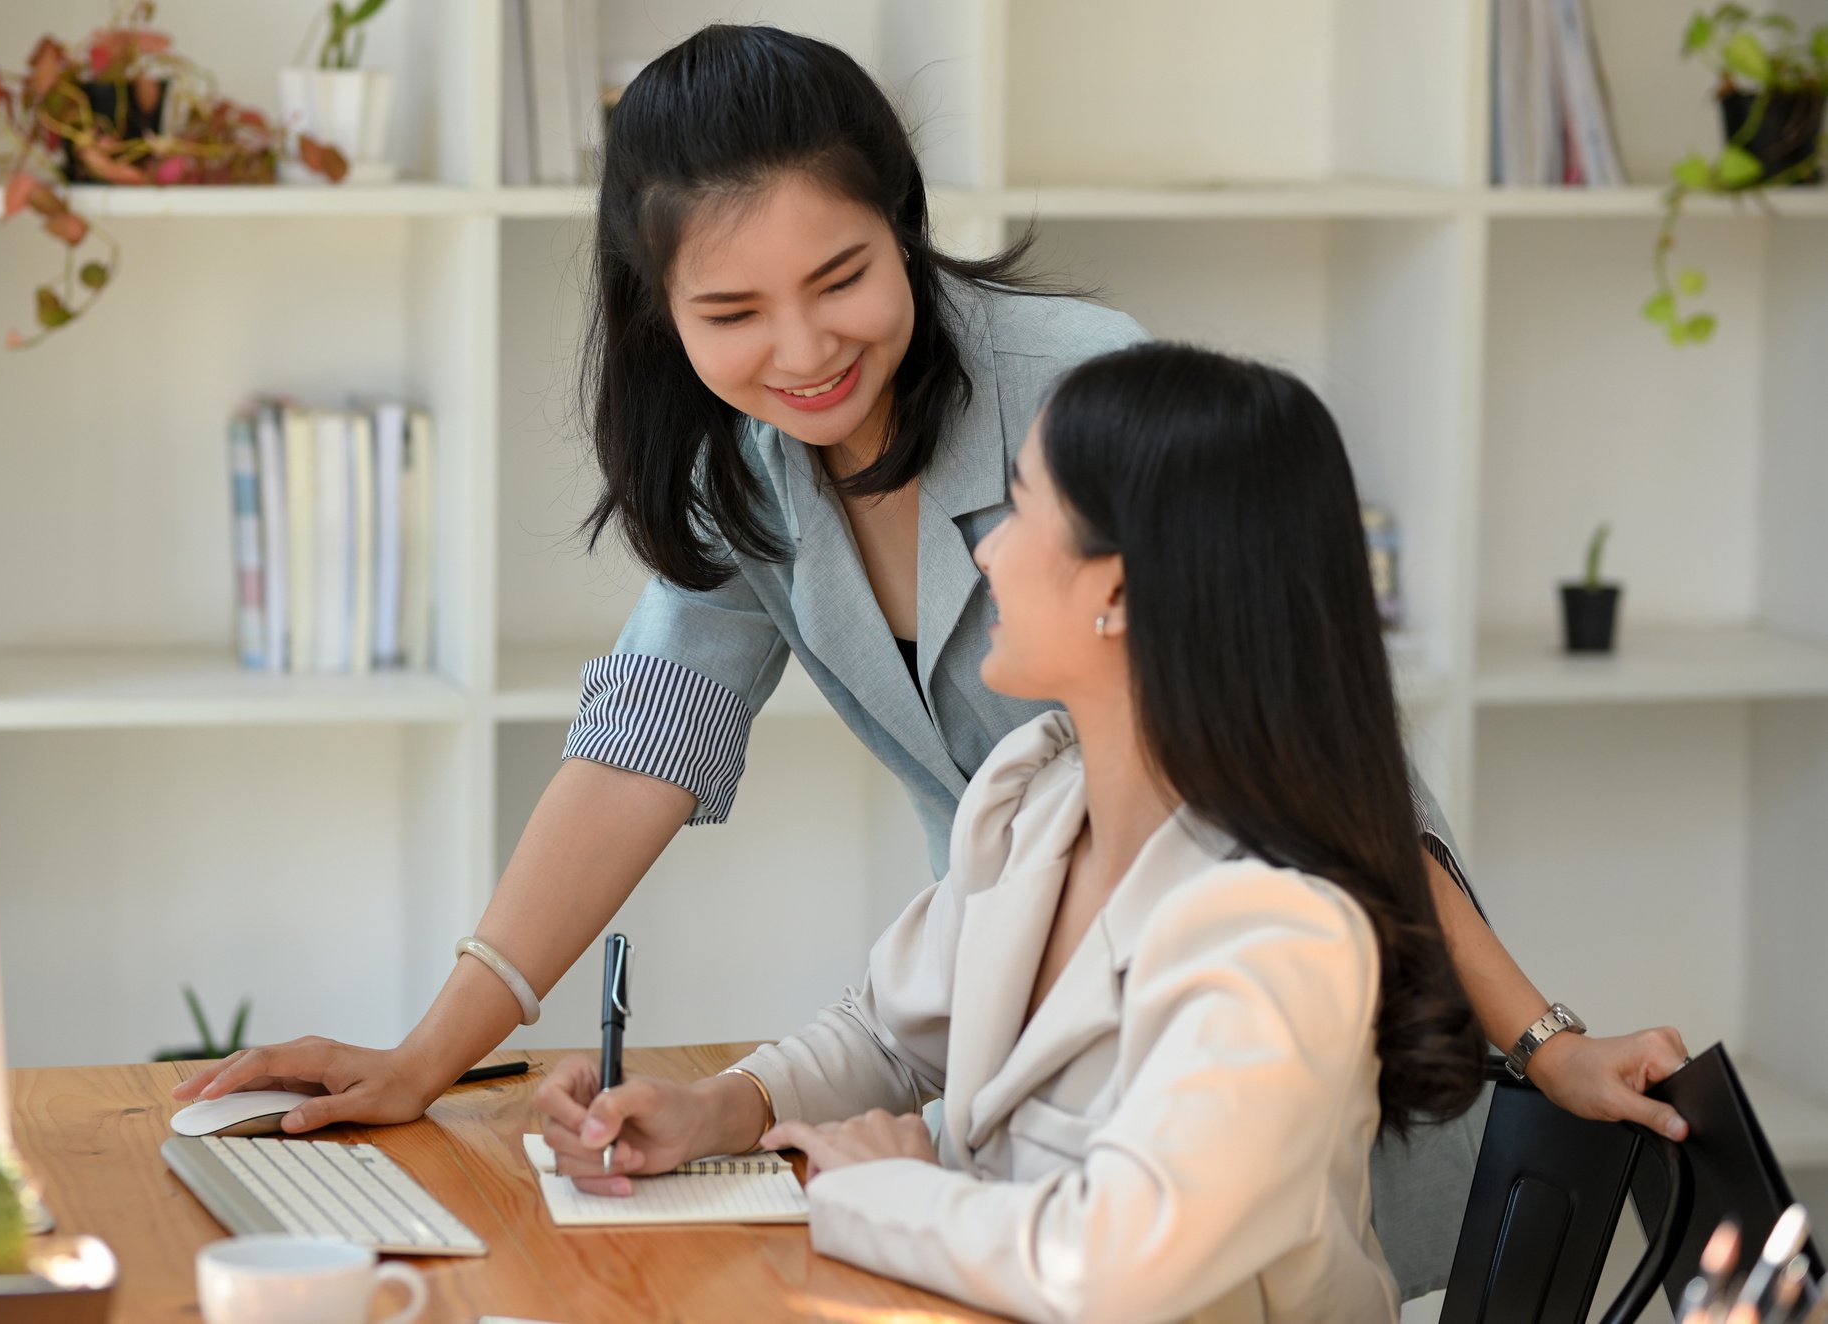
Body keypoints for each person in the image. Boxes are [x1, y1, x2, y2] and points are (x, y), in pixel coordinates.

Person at [177, 24, 1688, 1295]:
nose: (799, 349)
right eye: (729, 312)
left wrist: (1535, 1035)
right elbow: (644, 740)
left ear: (899, 220)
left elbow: (1309, 747)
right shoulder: (768, 490)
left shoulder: (1080, 402)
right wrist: (434, 1055)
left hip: (1211, 1074)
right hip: (1009, 1077)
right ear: (660, 316)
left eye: (838, 276)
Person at [537, 342, 1487, 1322]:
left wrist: (885, 1186)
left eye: (1021, 508)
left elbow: (1116, 1266)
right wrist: (718, 1112)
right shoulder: (1035, 797)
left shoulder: (1279, 932)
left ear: (1117, 591)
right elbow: (892, 1032)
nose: (983, 550)